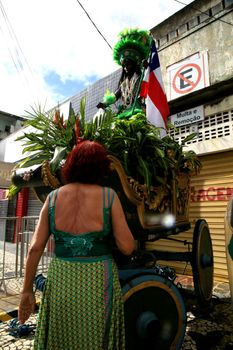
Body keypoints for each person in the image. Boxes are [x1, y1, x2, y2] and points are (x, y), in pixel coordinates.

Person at [18, 140, 135, 350]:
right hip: (99, 279)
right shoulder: (109, 197)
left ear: (71, 165)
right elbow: (127, 247)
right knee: (97, 337)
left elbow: (35, 248)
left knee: (61, 334)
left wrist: (27, 291)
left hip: (62, 277)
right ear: (100, 167)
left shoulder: (52, 198)